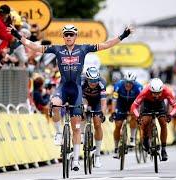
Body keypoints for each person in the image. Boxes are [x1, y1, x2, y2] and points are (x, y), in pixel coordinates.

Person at [10, 24, 133, 171]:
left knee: (76, 127)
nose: (69, 37)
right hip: (63, 87)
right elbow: (34, 47)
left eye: (71, 34)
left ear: (75, 36)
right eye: (66, 35)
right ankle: (58, 133)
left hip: (76, 89)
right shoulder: (57, 49)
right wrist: (18, 35)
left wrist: (123, 35)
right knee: (54, 105)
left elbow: (106, 44)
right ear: (63, 37)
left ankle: (75, 160)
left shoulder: (83, 48)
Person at [130, 78, 176, 161]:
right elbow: (133, 106)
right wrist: (138, 116)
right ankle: (145, 140)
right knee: (145, 121)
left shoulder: (166, 91)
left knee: (163, 123)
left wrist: (170, 115)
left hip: (160, 104)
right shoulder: (145, 91)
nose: (156, 95)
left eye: (158, 93)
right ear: (150, 90)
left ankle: (163, 149)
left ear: (162, 90)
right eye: (154, 93)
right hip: (147, 104)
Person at [110, 72, 143, 158]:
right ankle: (116, 148)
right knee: (118, 125)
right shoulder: (118, 85)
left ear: (134, 83)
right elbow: (114, 100)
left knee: (133, 116)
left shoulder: (139, 87)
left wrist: (139, 113)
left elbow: (140, 102)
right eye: (126, 82)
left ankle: (132, 138)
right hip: (121, 104)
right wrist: (113, 112)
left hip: (133, 104)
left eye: (130, 83)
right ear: (124, 81)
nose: (128, 85)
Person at [81, 67, 107, 168]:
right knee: (81, 111)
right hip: (85, 99)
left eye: (95, 80)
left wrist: (102, 114)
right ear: (87, 79)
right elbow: (79, 97)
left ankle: (97, 156)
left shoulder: (101, 83)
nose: (93, 83)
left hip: (97, 102)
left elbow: (103, 102)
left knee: (97, 124)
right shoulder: (82, 81)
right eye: (91, 81)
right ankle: (83, 134)